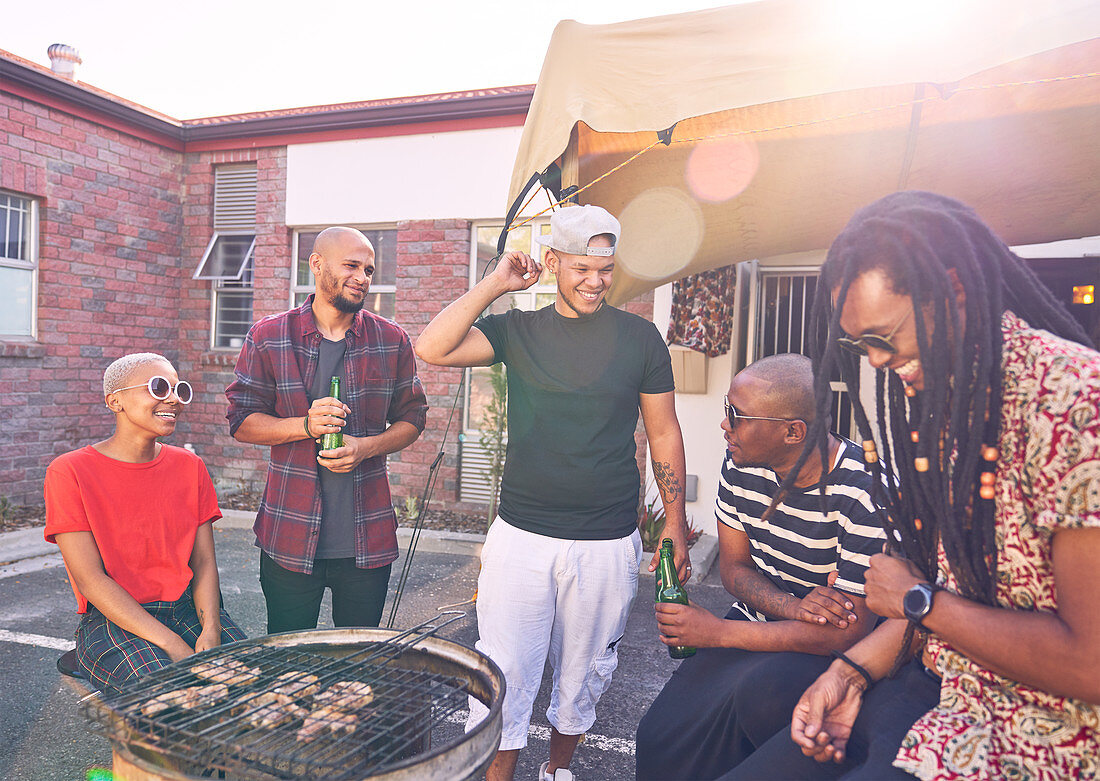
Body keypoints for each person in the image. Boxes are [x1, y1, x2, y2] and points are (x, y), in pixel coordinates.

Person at [725, 191, 1100, 780]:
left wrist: (920, 601)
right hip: (941, 691)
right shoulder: (946, 405)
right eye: (859, 345)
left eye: (882, 337)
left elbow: (1090, 664)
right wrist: (848, 674)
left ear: (951, 292)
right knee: (767, 713)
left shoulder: (1073, 405)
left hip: (1036, 734)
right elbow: (935, 601)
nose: (873, 361)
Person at [416, 204, 691, 781]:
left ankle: (556, 772)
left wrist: (674, 522)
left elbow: (664, 431)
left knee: (586, 671)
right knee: (504, 669)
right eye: (581, 268)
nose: (595, 281)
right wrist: (495, 282)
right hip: (522, 536)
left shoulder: (640, 339)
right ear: (552, 262)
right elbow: (432, 347)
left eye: (606, 269)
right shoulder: (519, 330)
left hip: (607, 539)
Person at [635, 353, 884, 780]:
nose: (724, 425)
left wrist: (716, 633)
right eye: (725, 411)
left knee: (760, 705)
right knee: (661, 740)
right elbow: (734, 569)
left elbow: (848, 631)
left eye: (736, 415)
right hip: (769, 622)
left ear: (793, 432)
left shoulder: (866, 492)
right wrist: (793, 606)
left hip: (827, 654)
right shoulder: (741, 465)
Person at [226, 227, 428, 633]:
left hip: (366, 539)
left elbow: (413, 418)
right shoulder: (269, 336)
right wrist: (304, 425)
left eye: (369, 269)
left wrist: (367, 447)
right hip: (289, 531)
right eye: (351, 265)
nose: (362, 277)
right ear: (316, 264)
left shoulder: (391, 340)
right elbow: (241, 422)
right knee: (287, 660)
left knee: (356, 663)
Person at [44, 353, 246, 694]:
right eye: (158, 387)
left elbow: (203, 562)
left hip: (186, 609)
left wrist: (210, 629)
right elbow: (90, 579)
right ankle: (92, 658)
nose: (173, 399)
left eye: (179, 389)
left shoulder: (189, 466)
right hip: (115, 618)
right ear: (115, 401)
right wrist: (174, 646)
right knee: (175, 696)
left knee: (252, 681)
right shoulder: (70, 472)